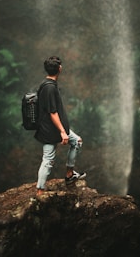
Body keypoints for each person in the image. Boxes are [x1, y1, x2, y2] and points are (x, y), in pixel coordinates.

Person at [34, 56, 86, 195]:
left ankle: (69, 174)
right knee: (48, 160)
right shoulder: (49, 88)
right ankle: (40, 191)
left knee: (77, 141)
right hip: (51, 130)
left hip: (57, 128)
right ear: (59, 69)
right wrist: (63, 132)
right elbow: (52, 112)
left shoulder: (48, 84)